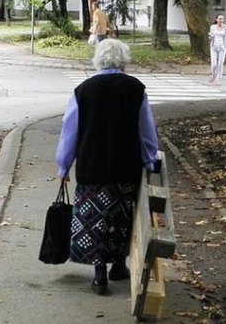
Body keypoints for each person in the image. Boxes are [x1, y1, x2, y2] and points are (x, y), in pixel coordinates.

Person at [55, 39, 159, 295]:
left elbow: (70, 131)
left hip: (92, 168)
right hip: (125, 167)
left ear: (98, 60)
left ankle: (99, 272)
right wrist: (149, 160)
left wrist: (63, 166)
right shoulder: (136, 89)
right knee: (121, 218)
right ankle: (119, 266)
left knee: (94, 220)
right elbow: (146, 130)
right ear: (123, 61)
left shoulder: (83, 90)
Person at [208, 14, 226, 86]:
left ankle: (218, 79)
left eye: (222, 19)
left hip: (222, 47)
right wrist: (210, 36)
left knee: (220, 64)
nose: (221, 20)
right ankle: (212, 74)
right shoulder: (213, 27)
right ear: (216, 20)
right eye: (219, 19)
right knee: (214, 64)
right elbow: (211, 36)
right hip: (214, 47)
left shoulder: (225, 27)